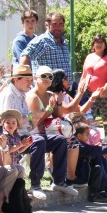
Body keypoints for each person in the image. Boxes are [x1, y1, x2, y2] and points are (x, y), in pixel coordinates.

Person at [25, 65, 79, 199]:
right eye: (43, 76)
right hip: (30, 135)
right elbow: (34, 122)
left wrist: (59, 104)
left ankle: (59, 181)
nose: (47, 79)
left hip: (43, 134)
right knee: (41, 141)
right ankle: (35, 185)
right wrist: (49, 109)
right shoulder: (32, 97)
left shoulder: (50, 95)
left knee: (60, 140)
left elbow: (57, 115)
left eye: (50, 77)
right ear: (36, 78)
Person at [20, 11, 72, 82]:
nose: (58, 27)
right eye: (54, 24)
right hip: (47, 90)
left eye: (60, 24)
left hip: (65, 90)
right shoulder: (42, 41)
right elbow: (24, 57)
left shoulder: (64, 42)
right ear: (47, 25)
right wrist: (26, 80)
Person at [81, 34, 107, 128]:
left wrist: (106, 87)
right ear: (93, 44)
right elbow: (84, 74)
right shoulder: (89, 57)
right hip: (90, 92)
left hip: (106, 92)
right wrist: (80, 88)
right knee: (89, 115)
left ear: (105, 45)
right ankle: (91, 137)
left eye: (101, 42)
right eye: (96, 42)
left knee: (106, 116)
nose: (99, 44)